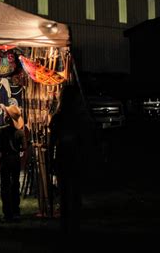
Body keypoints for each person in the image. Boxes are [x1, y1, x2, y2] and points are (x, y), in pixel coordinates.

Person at [49, 84, 92, 236]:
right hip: (75, 157)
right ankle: (73, 227)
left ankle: (66, 227)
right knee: (75, 194)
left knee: (65, 194)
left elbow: (51, 142)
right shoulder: (80, 117)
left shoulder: (59, 117)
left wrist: (50, 160)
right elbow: (87, 140)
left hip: (64, 157)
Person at [0, 104, 27, 221]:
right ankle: (15, 210)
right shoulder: (20, 132)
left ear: (7, 118)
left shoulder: (0, 131)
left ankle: (7, 212)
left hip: (5, 159)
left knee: (5, 185)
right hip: (15, 159)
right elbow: (23, 147)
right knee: (15, 184)